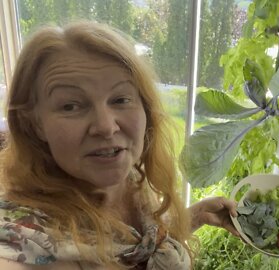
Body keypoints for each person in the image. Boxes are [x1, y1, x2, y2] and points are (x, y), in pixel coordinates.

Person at [0, 21, 239, 269]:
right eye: (70, 106)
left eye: (120, 99)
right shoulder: (24, 240)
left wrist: (194, 217)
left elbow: (138, 248)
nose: (105, 126)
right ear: (35, 123)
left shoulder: (132, 178)